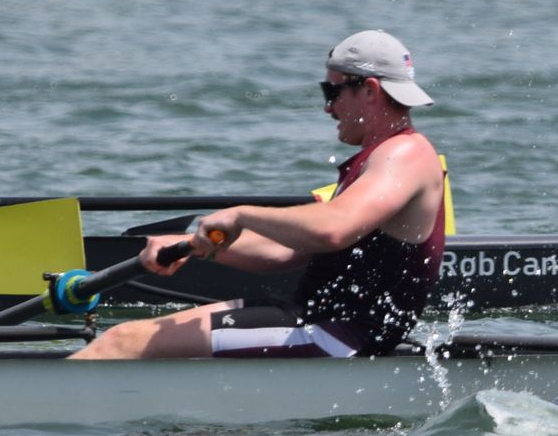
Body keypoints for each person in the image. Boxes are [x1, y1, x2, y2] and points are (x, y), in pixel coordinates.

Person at [71, 29, 447, 360]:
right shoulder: (378, 161)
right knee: (136, 337)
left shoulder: (405, 153)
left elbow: (334, 229)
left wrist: (241, 214)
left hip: (336, 335)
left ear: (369, 91)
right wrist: (191, 244)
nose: (328, 107)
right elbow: (285, 251)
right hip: (313, 320)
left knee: (121, 342)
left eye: (332, 91)